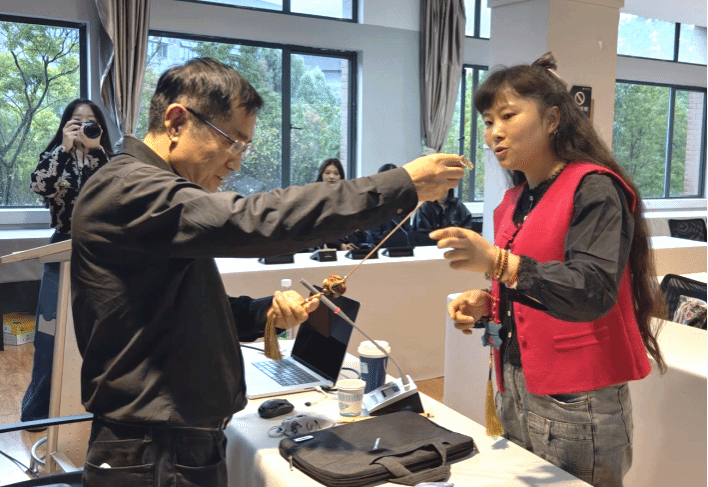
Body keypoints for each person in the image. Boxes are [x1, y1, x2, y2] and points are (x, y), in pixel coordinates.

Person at [70, 57, 465, 487]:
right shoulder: (131, 188)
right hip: (156, 452)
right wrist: (400, 184)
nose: (235, 163)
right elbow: (254, 219)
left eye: (244, 148)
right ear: (177, 121)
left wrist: (264, 314)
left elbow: (176, 309)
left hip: (172, 443)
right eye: (231, 142)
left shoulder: (147, 192)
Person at [430, 53, 666, 487]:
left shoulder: (595, 188)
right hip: (515, 385)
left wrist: (497, 262)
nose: (494, 133)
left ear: (553, 118)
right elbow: (531, 281)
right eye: (487, 121)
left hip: (577, 397)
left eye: (508, 116)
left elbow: (591, 289)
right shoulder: (516, 199)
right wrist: (488, 302)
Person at [21, 99, 111, 424]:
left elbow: (116, 194)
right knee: (50, 329)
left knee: (101, 332)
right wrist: (64, 148)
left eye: (90, 121)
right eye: (76, 120)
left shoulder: (109, 160)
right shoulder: (55, 156)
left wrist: (97, 152)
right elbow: (39, 185)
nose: (84, 126)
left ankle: (94, 408)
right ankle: (38, 409)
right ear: (66, 125)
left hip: (103, 252)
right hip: (62, 247)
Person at [314, 157, 365, 250]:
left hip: (348, 246)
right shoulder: (315, 197)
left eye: (336, 173)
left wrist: (350, 244)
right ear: (321, 175)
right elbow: (318, 229)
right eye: (327, 173)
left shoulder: (347, 196)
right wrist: (340, 245)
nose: (331, 176)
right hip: (324, 248)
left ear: (341, 176)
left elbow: (353, 225)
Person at [360, 163, 411, 248]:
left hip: (402, 250)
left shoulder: (404, 205)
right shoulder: (373, 206)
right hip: (379, 251)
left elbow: (408, 233)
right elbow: (374, 238)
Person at [410, 187, 475, 246]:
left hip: (454, 247)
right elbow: (422, 236)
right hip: (430, 249)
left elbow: (467, 232)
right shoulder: (424, 207)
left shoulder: (458, 206)